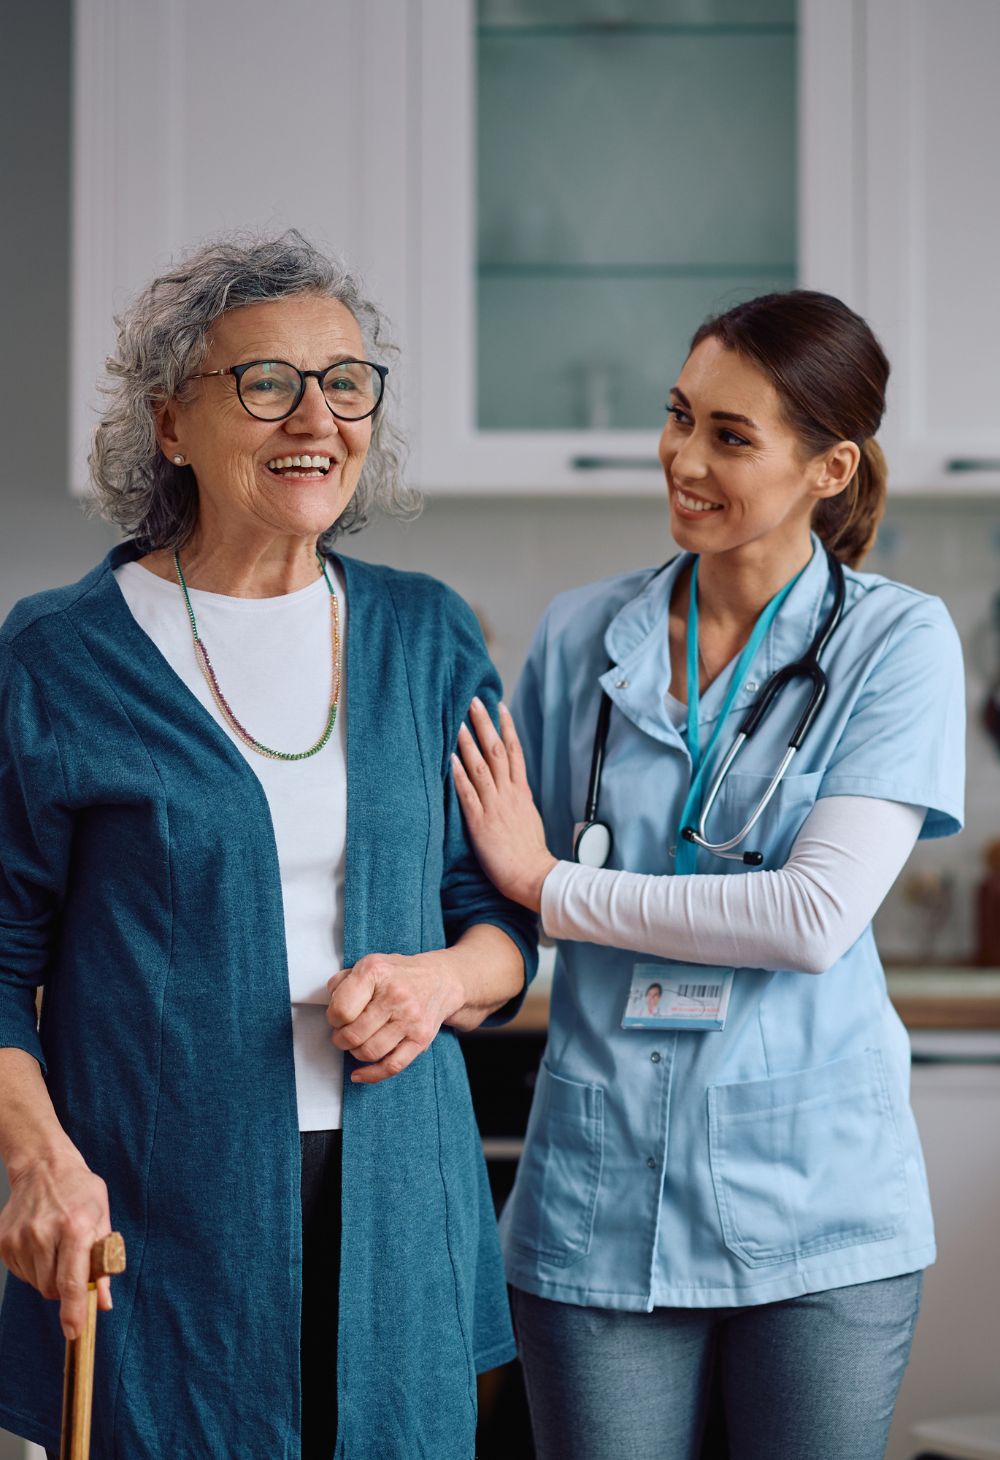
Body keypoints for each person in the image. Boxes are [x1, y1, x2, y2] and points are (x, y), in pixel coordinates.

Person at [0, 232, 535, 1460]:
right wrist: (39, 1163)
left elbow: (503, 918)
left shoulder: (425, 632)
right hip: (157, 1207)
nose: (317, 416)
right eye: (267, 382)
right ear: (171, 423)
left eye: (345, 381)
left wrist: (440, 977)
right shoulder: (59, 657)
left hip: (398, 1205)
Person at [454, 291, 965, 1460]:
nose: (682, 458)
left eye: (731, 436)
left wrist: (553, 888)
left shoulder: (895, 642)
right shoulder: (583, 634)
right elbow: (493, 883)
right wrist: (459, 955)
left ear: (828, 466)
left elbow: (809, 914)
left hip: (816, 1208)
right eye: (678, 416)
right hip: (597, 1199)